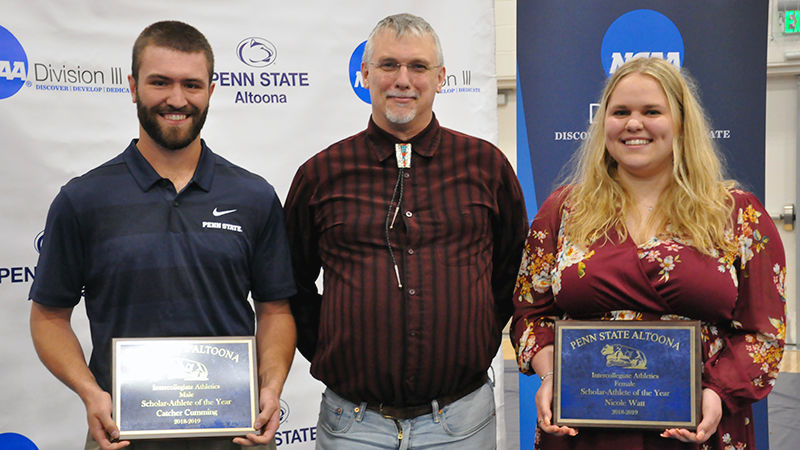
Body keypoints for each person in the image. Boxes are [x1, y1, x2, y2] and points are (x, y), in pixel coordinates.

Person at [28, 21, 297, 450]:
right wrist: (90, 392)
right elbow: (48, 318)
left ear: (211, 90)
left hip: (234, 435)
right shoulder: (83, 199)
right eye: (160, 82)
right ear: (133, 87)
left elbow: (275, 311)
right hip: (121, 436)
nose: (177, 99)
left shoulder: (253, 196)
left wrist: (270, 387)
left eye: (191, 84)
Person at [512, 56, 786, 449]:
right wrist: (553, 374)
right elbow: (530, 313)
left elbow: (764, 332)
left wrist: (716, 393)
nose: (633, 123)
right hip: (582, 432)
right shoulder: (563, 210)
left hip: (698, 428)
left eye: (651, 111)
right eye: (620, 112)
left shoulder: (737, 214)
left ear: (680, 122)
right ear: (603, 122)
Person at [284, 13, 528, 449]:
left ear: (440, 77)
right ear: (365, 74)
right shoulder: (321, 174)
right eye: (388, 65)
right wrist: (332, 347)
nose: (403, 79)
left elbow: (513, 268)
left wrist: (479, 335)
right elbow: (292, 282)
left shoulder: (485, 166)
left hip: (461, 421)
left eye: (418, 67)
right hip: (353, 425)